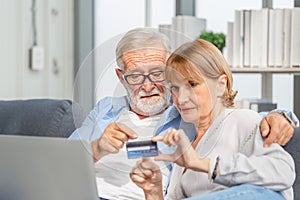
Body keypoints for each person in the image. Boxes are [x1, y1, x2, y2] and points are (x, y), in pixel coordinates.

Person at [69, 28, 298, 200]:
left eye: (157, 74)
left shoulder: (185, 120)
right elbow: (59, 161)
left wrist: (283, 116)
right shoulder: (106, 110)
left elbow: (227, 106)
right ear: (121, 77)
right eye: (136, 76)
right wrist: (97, 149)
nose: (148, 86)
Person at [130, 39, 295, 200]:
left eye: (192, 84)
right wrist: (153, 190)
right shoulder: (187, 142)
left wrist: (205, 164)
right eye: (175, 88)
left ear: (221, 85)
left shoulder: (242, 120)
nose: (181, 98)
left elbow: (283, 171)